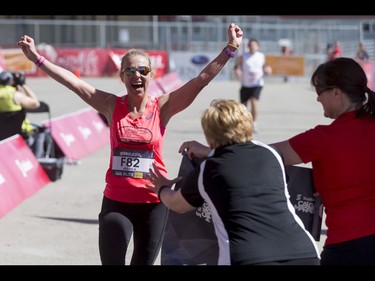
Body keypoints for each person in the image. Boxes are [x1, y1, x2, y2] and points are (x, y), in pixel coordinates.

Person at [17, 23, 244, 265]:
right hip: (116, 202)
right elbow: (75, 84)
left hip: (154, 203)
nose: (137, 75)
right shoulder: (112, 105)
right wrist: (37, 59)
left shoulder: (163, 107)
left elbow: (201, 80)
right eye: (130, 70)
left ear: (151, 75)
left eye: (143, 70)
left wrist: (230, 48)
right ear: (123, 76)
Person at [145, 99, 321, 265]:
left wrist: (161, 188)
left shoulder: (208, 170)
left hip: (249, 257)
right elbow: (242, 158)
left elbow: (177, 204)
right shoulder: (270, 153)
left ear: (210, 135)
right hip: (304, 252)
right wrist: (209, 151)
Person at [269, 57, 375, 265]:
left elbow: (260, 155)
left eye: (319, 92)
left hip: (349, 245)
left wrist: (210, 150)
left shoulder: (324, 138)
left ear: (336, 92)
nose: (317, 99)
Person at [234, 38, 270, 133]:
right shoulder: (243, 56)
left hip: (257, 84)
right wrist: (237, 70)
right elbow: (236, 66)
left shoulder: (261, 56)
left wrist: (267, 70)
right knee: (243, 106)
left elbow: (265, 66)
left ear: (258, 47)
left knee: (254, 101)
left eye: (254, 45)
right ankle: (243, 124)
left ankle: (253, 123)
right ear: (248, 47)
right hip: (245, 84)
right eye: (251, 45)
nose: (252, 47)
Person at [0, 70, 40, 141]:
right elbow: (36, 104)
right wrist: (23, 84)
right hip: (19, 134)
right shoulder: (14, 95)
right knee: (42, 134)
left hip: (2, 135)